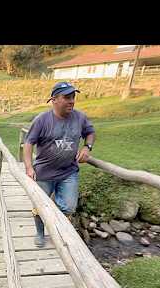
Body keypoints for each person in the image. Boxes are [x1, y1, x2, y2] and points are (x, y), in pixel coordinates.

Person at [23, 82, 95, 247]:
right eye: (67, 97)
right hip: (44, 172)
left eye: (73, 97)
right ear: (54, 100)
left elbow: (90, 132)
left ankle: (57, 228)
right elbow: (28, 144)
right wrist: (28, 167)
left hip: (68, 172)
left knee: (69, 207)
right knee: (39, 205)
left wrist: (87, 146)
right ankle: (40, 233)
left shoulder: (80, 117)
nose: (71, 101)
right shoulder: (42, 120)